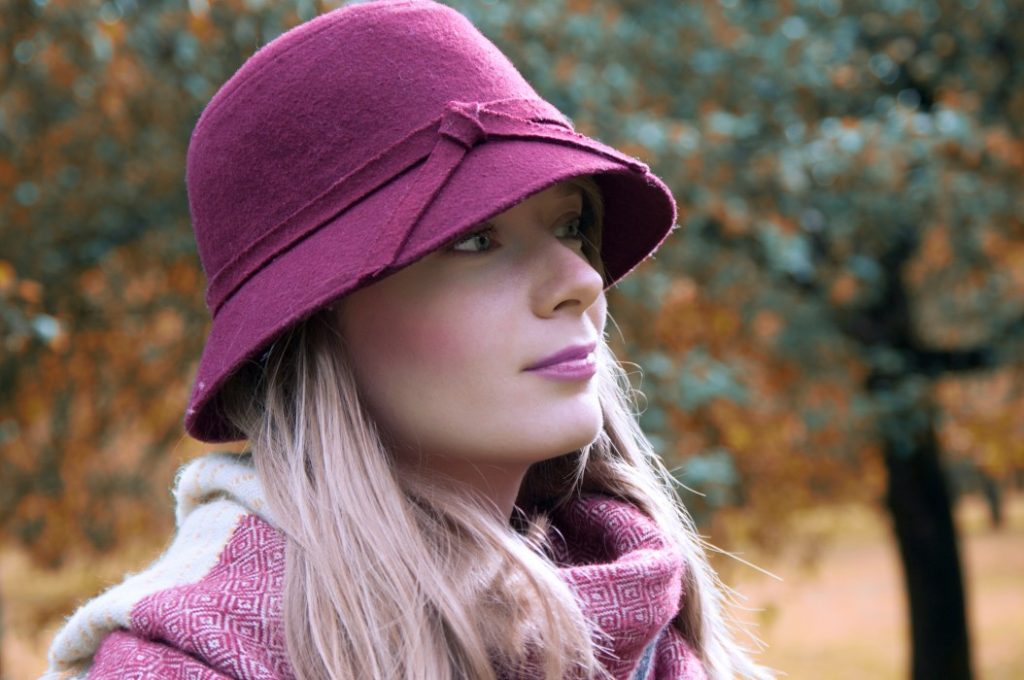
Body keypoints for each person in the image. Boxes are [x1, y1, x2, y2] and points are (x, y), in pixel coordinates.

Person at [45, 1, 772, 678]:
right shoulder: (189, 664)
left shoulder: (648, 622)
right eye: (475, 239)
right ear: (316, 323)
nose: (580, 280)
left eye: (571, 224)